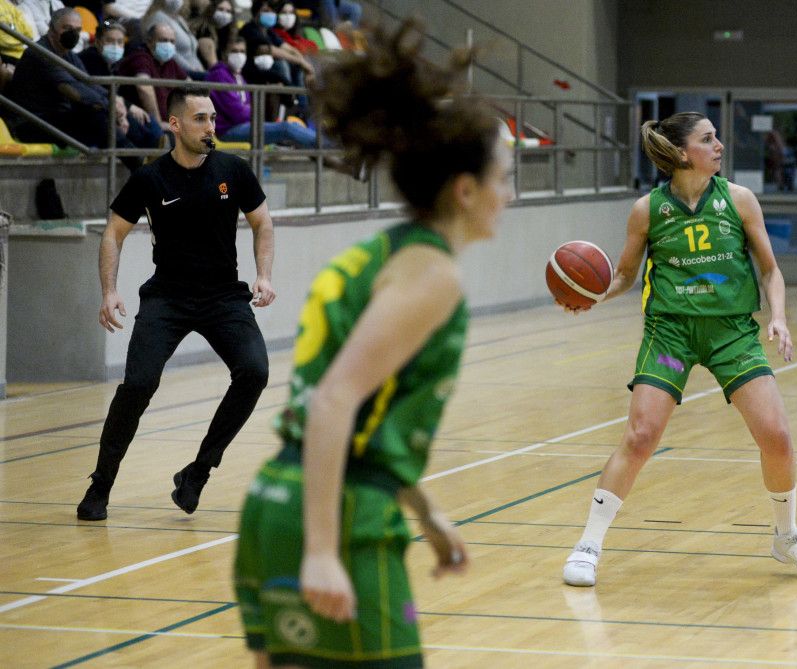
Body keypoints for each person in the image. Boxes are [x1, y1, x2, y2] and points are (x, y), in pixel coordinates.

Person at [232, 20, 510, 666]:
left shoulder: (382, 255)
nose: (510, 195)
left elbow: (365, 410)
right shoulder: (433, 274)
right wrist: (324, 550)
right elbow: (335, 401)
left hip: (280, 496)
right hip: (339, 516)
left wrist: (426, 508)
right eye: (503, 178)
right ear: (465, 191)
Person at [559, 111, 797, 587]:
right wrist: (595, 293)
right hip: (671, 336)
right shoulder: (648, 209)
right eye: (708, 139)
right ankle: (588, 544)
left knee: (777, 436)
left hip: (731, 334)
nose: (720, 145)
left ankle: (786, 536)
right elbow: (625, 274)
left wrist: (780, 318)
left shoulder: (740, 200)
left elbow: (770, 270)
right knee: (641, 435)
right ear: (683, 153)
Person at [75, 85, 275, 521]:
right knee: (139, 386)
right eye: (201, 119)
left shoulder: (233, 170)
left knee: (255, 371)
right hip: (168, 296)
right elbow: (112, 232)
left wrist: (263, 275)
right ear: (176, 124)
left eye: (213, 119)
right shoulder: (150, 179)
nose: (210, 127)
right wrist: (108, 291)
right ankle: (101, 484)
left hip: (224, 296)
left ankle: (198, 472)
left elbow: (262, 222)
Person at [5, 7, 139, 169]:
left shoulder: (67, 54)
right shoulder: (40, 53)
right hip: (31, 123)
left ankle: (143, 161)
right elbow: (73, 90)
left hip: (55, 118)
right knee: (97, 116)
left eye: (77, 30)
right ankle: (140, 166)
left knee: (115, 113)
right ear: (51, 28)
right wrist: (108, 104)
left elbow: (90, 84)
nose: (73, 34)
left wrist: (116, 102)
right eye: (67, 29)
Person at [207, 36, 316, 147]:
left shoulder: (238, 76)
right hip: (227, 130)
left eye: (242, 51)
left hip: (244, 125)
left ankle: (322, 151)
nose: (239, 55)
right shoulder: (219, 74)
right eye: (234, 51)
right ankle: (323, 146)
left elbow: (246, 107)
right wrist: (251, 112)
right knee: (286, 128)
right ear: (224, 54)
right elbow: (237, 114)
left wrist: (249, 111)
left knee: (292, 127)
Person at [79, 19, 165, 149]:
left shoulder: (114, 64)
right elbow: (102, 92)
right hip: (93, 112)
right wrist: (129, 107)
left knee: (147, 122)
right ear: (97, 42)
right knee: (142, 128)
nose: (115, 46)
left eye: (120, 42)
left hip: (112, 107)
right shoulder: (90, 58)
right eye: (110, 41)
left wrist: (128, 107)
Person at [117, 22, 190, 123]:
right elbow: (144, 88)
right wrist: (159, 123)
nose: (168, 45)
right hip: (143, 119)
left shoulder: (170, 62)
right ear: (149, 42)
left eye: (172, 42)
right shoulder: (140, 58)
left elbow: (191, 87)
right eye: (163, 40)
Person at [143, 0, 206, 76]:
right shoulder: (158, 17)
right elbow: (170, 52)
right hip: (184, 72)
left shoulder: (179, 19)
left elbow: (192, 51)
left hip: (197, 71)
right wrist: (193, 71)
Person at [191, 0, 234, 69]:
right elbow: (213, 65)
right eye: (220, 9)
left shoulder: (226, 31)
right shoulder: (204, 30)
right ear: (211, 10)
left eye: (228, 11)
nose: (224, 14)